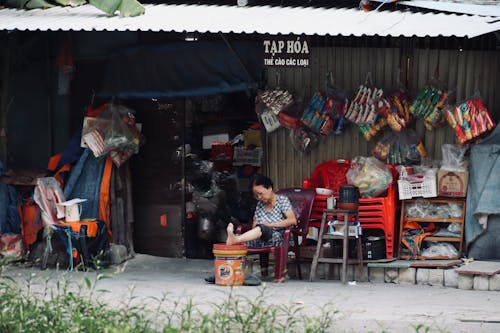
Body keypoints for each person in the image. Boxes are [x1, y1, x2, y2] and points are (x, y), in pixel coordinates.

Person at [226, 175, 296, 247]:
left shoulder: (282, 200)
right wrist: (258, 228)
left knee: (263, 228)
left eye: (260, 194)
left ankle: (236, 239)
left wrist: (271, 225)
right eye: (256, 195)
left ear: (269, 188)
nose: (259, 197)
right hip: (262, 237)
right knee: (238, 242)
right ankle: (236, 240)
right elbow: (255, 225)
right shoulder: (260, 204)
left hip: (279, 237)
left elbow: (292, 220)